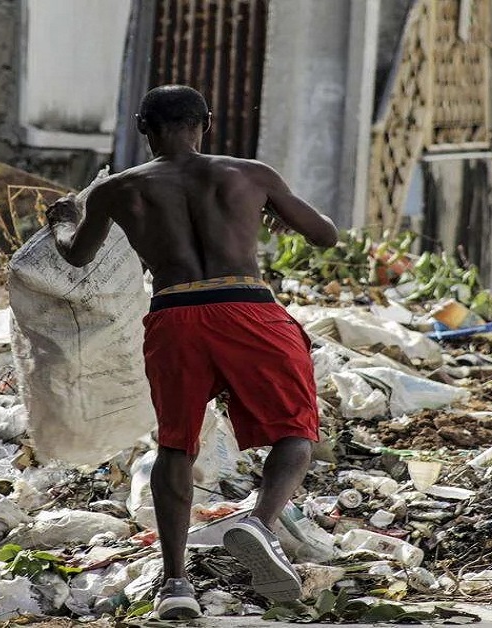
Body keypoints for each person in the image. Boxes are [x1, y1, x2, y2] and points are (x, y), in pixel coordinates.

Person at [45, 85, 338, 620]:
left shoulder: (118, 189)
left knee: (176, 447)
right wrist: (270, 206)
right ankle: (258, 522)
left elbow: (76, 257)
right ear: (205, 122)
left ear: (141, 127)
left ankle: (175, 584)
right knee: (296, 433)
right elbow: (325, 235)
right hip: (249, 309)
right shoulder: (250, 174)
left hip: (175, 315)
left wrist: (65, 217)